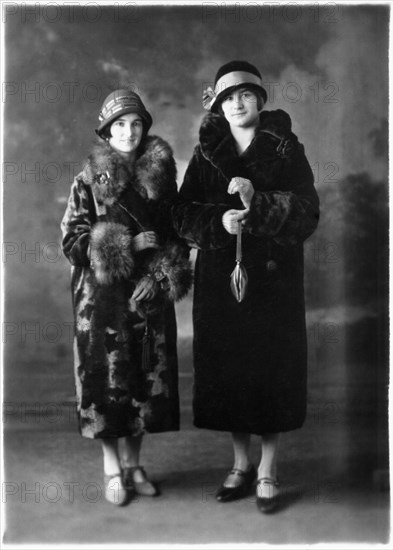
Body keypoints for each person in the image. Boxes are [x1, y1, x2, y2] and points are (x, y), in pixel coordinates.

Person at [173, 61, 319, 513]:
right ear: (218, 104)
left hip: (273, 280)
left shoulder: (284, 147)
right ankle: (239, 463)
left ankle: (268, 467)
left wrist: (258, 204)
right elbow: (181, 215)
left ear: (260, 99)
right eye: (228, 97)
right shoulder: (206, 152)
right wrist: (218, 220)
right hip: (221, 278)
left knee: (270, 369)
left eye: (246, 95)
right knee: (232, 370)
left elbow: (308, 210)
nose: (237, 103)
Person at [61, 89, 192, 506]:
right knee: (108, 384)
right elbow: (72, 240)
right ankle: (112, 468)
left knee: (143, 383)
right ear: (105, 131)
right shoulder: (88, 181)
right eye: (119, 124)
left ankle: (135, 465)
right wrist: (125, 244)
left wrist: (159, 273)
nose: (129, 131)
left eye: (136, 123)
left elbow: (177, 238)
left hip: (147, 299)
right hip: (102, 303)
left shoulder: (161, 177)